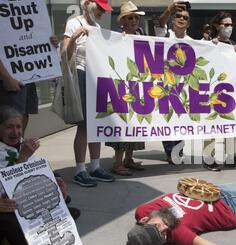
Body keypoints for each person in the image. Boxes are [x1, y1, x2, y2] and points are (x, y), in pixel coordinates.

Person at [0, 107, 80, 245]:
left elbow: (38, 171)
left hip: (27, 202)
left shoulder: (22, 145)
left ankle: (23, 244)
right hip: (7, 208)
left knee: (63, 196)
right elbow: (7, 188)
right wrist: (23, 157)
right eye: (9, 127)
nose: (15, 132)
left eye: (18, 127)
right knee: (11, 221)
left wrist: (57, 183)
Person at [62, 0, 115, 187]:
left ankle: (95, 166)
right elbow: (64, 54)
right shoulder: (74, 23)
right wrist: (75, 37)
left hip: (96, 77)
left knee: (97, 122)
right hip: (81, 73)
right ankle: (80, 170)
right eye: (99, 8)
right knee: (84, 126)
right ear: (88, 6)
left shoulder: (98, 27)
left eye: (103, 9)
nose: (101, 12)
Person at [202, 11, 236, 171]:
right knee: (212, 126)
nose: (229, 28)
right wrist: (210, 46)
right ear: (216, 26)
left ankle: (231, 158)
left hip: (231, 92)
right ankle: (209, 159)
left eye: (231, 25)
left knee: (232, 124)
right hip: (214, 92)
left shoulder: (234, 45)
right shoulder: (208, 43)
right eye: (225, 24)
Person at [105, 1, 146, 176]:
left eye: (136, 17)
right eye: (130, 17)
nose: (134, 20)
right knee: (123, 123)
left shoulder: (141, 33)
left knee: (136, 122)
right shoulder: (115, 36)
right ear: (122, 21)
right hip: (120, 84)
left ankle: (129, 159)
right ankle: (117, 162)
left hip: (138, 82)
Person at [154, 0, 190, 164]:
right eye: (178, 16)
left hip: (183, 88)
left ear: (189, 23)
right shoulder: (165, 35)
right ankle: (170, 152)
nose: (181, 19)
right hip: (165, 85)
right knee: (167, 120)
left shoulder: (192, 41)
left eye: (185, 17)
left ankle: (179, 151)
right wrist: (169, 9)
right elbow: (161, 22)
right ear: (173, 19)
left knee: (181, 120)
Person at [0, 36, 59, 133]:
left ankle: (18, 146)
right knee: (10, 119)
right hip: (9, 77)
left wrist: (49, 43)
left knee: (24, 115)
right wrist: (6, 77)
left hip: (26, 74)